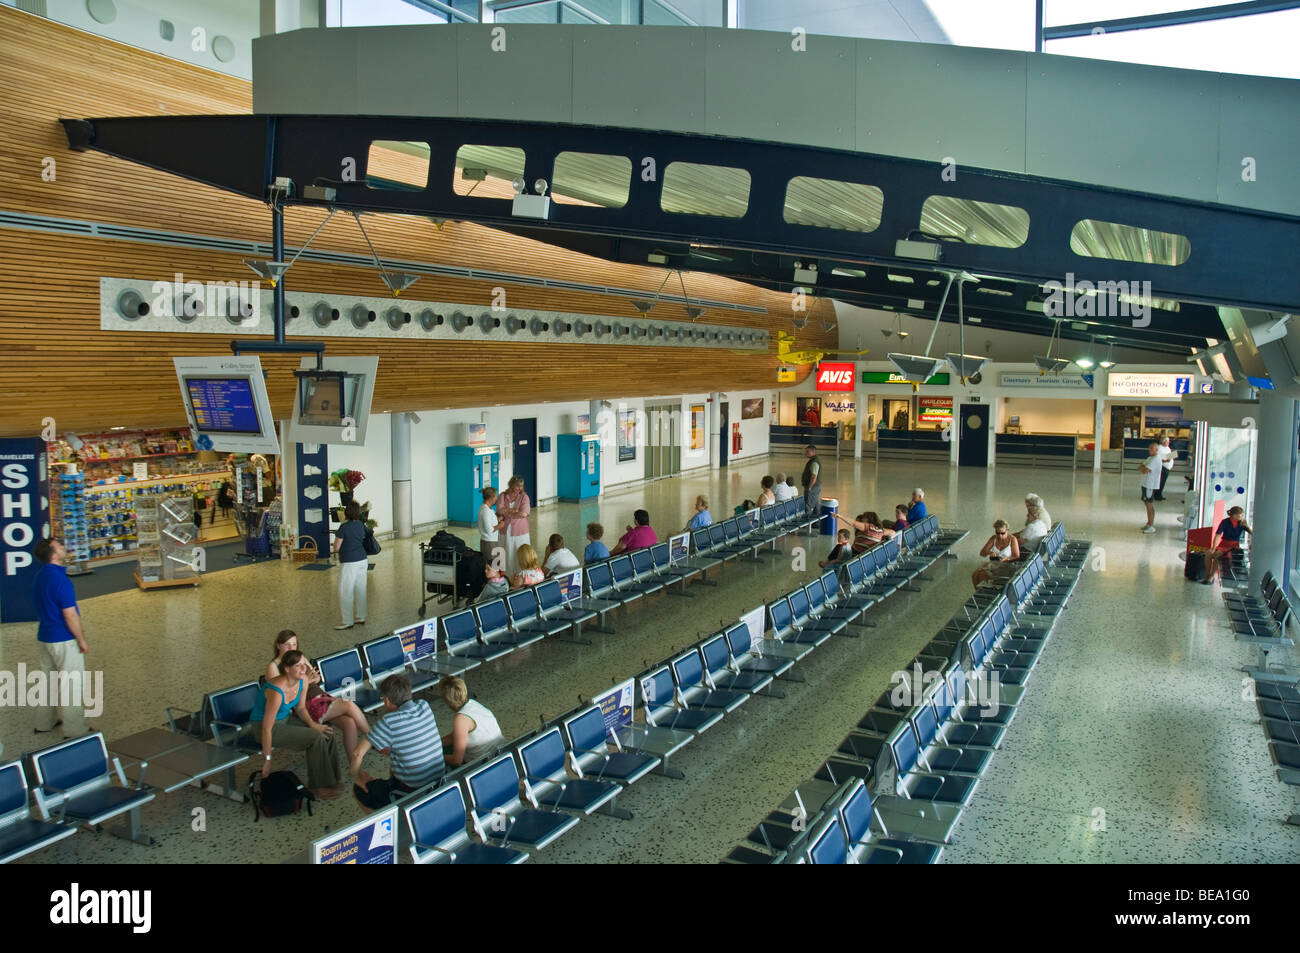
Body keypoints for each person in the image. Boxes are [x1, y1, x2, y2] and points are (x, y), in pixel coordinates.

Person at [267, 630, 370, 763]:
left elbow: (316, 677)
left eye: (294, 644)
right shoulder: (273, 666)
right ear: (278, 646)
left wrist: (311, 679)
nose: (291, 648)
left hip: (321, 697)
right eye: (287, 645)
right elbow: (281, 694)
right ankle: (373, 738)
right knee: (349, 704)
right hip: (307, 703)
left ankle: (354, 766)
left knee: (349, 723)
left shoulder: (300, 657)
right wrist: (306, 682)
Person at [254, 650, 344, 800]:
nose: (304, 669)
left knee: (326, 732)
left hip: (284, 720)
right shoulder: (276, 691)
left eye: (304, 664)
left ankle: (331, 780)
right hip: (264, 727)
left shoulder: (302, 680)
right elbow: (266, 728)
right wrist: (268, 760)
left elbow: (301, 708)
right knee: (315, 738)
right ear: (287, 669)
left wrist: (313, 724)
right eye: (298, 666)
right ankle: (318, 786)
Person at [351, 674, 445, 811]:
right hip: (439, 780)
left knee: (359, 790)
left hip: (414, 788)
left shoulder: (389, 721)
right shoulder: (424, 706)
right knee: (396, 759)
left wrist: (356, 777)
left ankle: (383, 819)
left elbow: (357, 754)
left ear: (387, 701)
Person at [31, 539, 89, 738]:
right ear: (53, 554)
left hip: (45, 636)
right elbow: (70, 615)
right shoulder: (61, 581)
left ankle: (44, 722)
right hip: (63, 638)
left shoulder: (39, 577)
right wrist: (81, 640)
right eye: (60, 546)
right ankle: (75, 730)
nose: (64, 548)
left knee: (47, 681)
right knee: (71, 683)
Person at [438, 676, 505, 767]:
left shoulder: (460, 718)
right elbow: (455, 736)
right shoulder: (473, 704)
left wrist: (438, 756)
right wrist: (435, 744)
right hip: (502, 756)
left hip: (485, 765)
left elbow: (457, 760)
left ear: (446, 699)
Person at [332, 500, 368, 630]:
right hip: (362, 559)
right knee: (361, 588)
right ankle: (361, 616)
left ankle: (347, 621)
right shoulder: (361, 525)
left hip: (349, 562)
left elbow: (336, 547)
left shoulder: (343, 528)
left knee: (345, 590)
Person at [1204, 506, 1251, 585]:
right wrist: (1214, 547)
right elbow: (1218, 535)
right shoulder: (1225, 522)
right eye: (1241, 515)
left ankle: (1211, 576)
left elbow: (1251, 532)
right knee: (1208, 553)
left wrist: (1246, 526)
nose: (1242, 517)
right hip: (1224, 543)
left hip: (1234, 546)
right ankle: (1207, 574)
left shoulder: (1242, 523)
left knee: (1217, 555)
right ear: (1234, 515)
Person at [496, 475, 532, 575]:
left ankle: (522, 575)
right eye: (517, 486)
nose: (519, 488)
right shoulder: (502, 495)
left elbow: (524, 513)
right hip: (505, 530)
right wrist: (514, 511)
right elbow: (499, 510)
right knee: (506, 552)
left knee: (519, 553)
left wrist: (507, 512)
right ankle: (507, 575)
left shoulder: (524, 497)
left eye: (521, 486)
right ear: (511, 485)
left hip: (520, 531)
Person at [972, 520, 1020, 588]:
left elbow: (1016, 556)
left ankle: (984, 592)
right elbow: (982, 553)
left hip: (1007, 566)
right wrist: (989, 552)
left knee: (982, 575)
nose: (1000, 535)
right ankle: (978, 592)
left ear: (1007, 531)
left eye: (1002, 533)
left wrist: (1006, 558)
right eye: (997, 533)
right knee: (974, 575)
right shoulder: (994, 538)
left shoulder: (1012, 539)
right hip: (994, 564)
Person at [1138, 442, 1161, 534]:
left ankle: (1151, 525)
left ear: (1156, 450)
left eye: (1152, 448)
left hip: (1150, 485)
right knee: (1146, 503)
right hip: (1145, 484)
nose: (1150, 450)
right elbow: (1140, 467)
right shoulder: (1150, 458)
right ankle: (1148, 523)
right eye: (1149, 448)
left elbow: (1145, 470)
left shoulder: (1156, 459)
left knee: (1149, 504)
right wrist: (1143, 467)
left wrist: (1144, 468)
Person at [477, 486, 503, 568]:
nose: (496, 498)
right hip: (489, 543)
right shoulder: (485, 510)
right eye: (496, 496)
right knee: (492, 566)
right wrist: (500, 526)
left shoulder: (489, 509)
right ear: (491, 498)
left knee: (495, 565)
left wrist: (497, 519)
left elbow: (490, 522)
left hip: (492, 541)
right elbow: (489, 530)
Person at [800, 444, 822, 513]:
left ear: (813, 452)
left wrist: (809, 488)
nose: (806, 453)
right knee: (815, 505)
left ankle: (808, 521)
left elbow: (813, 476)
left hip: (813, 487)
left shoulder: (814, 462)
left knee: (808, 506)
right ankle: (816, 523)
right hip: (815, 486)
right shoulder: (813, 461)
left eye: (807, 451)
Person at [1155, 436, 1176, 502]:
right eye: (1167, 441)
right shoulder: (1160, 448)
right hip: (1163, 467)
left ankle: (1159, 494)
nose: (1168, 442)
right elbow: (1161, 457)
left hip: (1167, 467)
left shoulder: (1167, 448)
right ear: (1163, 441)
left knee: (1163, 482)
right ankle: (1157, 495)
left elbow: (1168, 455)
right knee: (1161, 482)